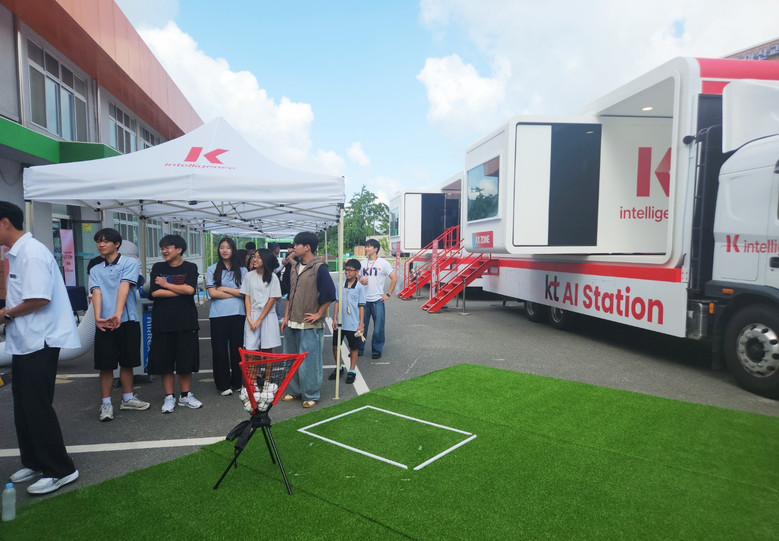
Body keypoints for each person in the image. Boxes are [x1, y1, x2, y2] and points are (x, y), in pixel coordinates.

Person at [0, 201, 80, 495]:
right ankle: (34, 461)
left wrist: (5, 314)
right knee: (23, 406)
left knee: (37, 407)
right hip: (26, 341)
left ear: (5, 222)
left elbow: (39, 298)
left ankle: (61, 469)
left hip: (41, 341)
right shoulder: (17, 253)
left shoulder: (31, 253)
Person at [89, 228, 150, 421]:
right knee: (105, 365)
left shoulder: (130, 263)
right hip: (105, 324)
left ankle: (128, 398)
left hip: (127, 320)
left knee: (127, 362)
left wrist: (118, 313)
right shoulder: (95, 269)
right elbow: (96, 293)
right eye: (99, 241)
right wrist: (98, 318)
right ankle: (106, 404)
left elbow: (125, 286)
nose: (101, 244)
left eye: (106, 241)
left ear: (116, 244)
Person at [147, 234, 202, 413]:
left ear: (179, 249)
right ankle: (169, 397)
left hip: (186, 321)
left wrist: (165, 284)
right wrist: (181, 290)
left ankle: (185, 395)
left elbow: (190, 289)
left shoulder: (190, 267)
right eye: (162, 248)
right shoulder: (158, 267)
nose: (164, 251)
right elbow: (155, 293)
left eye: (168, 247)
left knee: (186, 360)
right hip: (162, 321)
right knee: (165, 361)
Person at [280, 231, 335, 408]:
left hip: (309, 324)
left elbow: (330, 294)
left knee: (310, 362)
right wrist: (286, 317)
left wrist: (319, 313)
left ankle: (311, 394)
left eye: (297, 244)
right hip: (292, 321)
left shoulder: (320, 268)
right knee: (291, 358)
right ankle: (294, 391)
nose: (293, 247)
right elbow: (290, 294)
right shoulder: (295, 267)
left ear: (307, 247)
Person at [206, 237, 247, 396]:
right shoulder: (212, 269)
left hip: (238, 314)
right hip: (218, 315)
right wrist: (235, 293)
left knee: (237, 350)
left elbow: (244, 293)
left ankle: (237, 383)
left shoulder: (242, 270)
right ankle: (222, 385)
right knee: (219, 351)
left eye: (228, 247)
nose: (224, 250)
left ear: (233, 250)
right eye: (222, 247)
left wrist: (223, 288)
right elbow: (212, 293)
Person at [358, 238, 398, 359]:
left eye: (369, 246)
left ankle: (376, 350)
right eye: (366, 246)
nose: (367, 248)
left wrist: (388, 294)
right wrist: (361, 281)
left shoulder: (383, 263)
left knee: (378, 328)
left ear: (376, 249)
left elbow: (394, 278)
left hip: (377, 301)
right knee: (361, 326)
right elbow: (357, 277)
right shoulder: (362, 263)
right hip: (363, 301)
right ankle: (359, 349)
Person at [330, 259, 365, 384]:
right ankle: (339, 367)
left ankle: (352, 370)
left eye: (350, 270)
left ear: (357, 272)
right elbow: (337, 302)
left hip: (353, 323)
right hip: (340, 322)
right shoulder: (340, 285)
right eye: (346, 270)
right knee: (335, 346)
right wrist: (334, 317)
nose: (347, 272)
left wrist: (361, 324)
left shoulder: (360, 287)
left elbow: (361, 306)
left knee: (353, 348)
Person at [241, 249, 281, 353]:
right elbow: (247, 297)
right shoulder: (249, 276)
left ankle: (268, 366)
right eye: (254, 257)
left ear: (266, 260)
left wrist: (259, 320)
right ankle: (254, 366)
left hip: (268, 316)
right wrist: (249, 317)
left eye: (258, 258)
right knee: (251, 349)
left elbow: (272, 300)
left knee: (267, 349)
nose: (254, 259)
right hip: (253, 315)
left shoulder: (273, 277)